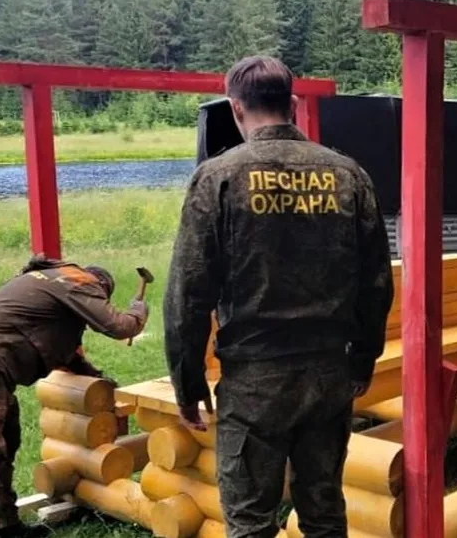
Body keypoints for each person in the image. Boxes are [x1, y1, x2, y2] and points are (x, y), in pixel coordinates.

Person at [163, 56, 394, 538]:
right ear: (291, 105)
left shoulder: (218, 178)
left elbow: (188, 293)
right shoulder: (348, 175)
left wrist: (187, 384)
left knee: (250, 522)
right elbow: (376, 283)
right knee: (324, 511)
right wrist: (363, 360)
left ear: (236, 108)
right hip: (329, 376)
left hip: (255, 383)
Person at [0, 255, 148, 538]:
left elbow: (69, 357)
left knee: (5, 440)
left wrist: (100, 381)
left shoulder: (53, 285)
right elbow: (121, 327)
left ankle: (3, 526)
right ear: (101, 287)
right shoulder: (81, 282)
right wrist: (138, 311)